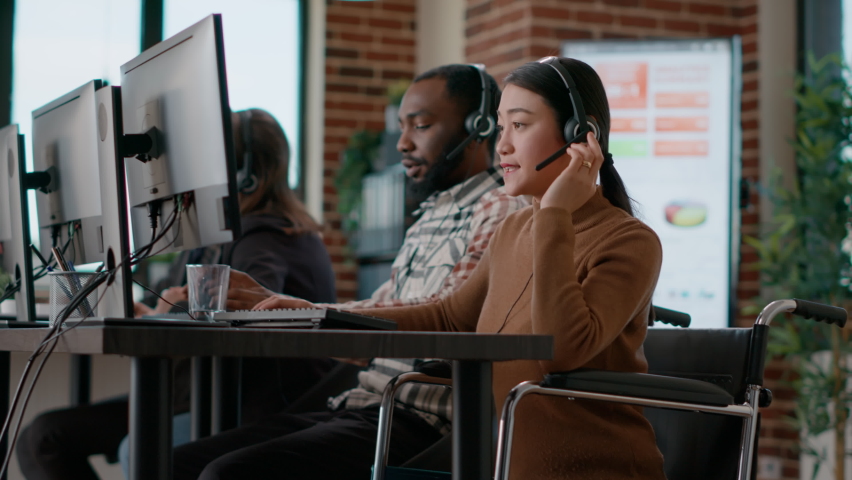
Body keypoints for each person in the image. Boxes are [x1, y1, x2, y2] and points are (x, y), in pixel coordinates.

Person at [254, 57, 668, 479]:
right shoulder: (513, 230)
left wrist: (554, 214)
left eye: (520, 126)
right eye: (501, 126)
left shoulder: (630, 241)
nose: (502, 145)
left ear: (580, 134)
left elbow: (559, 350)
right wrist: (318, 318)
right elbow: (448, 316)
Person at [171, 64, 528, 480]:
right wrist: (287, 312)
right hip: (361, 404)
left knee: (226, 472)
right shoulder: (431, 216)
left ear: (479, 127)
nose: (403, 143)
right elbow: (373, 323)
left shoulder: (500, 210)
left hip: (418, 420)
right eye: (402, 127)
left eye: (422, 126)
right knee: (176, 463)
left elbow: (447, 321)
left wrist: (302, 312)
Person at [15, 108, 338, 480]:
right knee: (41, 438)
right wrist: (153, 311)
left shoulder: (266, 237)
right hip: (198, 391)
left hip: (250, 405)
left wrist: (169, 312)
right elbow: (179, 302)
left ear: (244, 174)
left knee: (117, 447)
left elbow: (251, 311)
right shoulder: (209, 237)